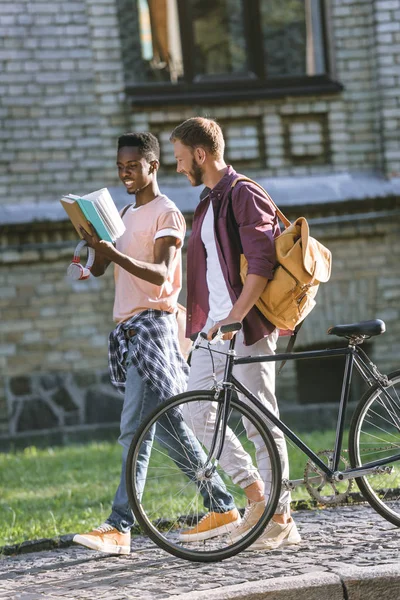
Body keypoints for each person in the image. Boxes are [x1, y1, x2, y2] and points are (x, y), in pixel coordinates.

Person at [73, 132, 238, 555]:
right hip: (130, 330)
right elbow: (103, 268)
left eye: (132, 166)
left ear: (152, 166)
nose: (125, 173)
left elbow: (162, 273)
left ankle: (118, 526)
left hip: (152, 327)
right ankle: (222, 505)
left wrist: (116, 252)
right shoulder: (124, 213)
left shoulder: (167, 213)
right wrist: (93, 248)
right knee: (167, 428)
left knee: (134, 430)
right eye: (119, 167)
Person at [170, 117, 301, 550]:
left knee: (260, 417)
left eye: (180, 158)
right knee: (195, 412)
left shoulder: (243, 192)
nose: (177, 167)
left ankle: (280, 516)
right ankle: (257, 496)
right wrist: (210, 321)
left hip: (247, 325)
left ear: (201, 155)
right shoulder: (209, 200)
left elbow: (261, 265)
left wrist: (236, 319)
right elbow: (212, 269)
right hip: (217, 329)